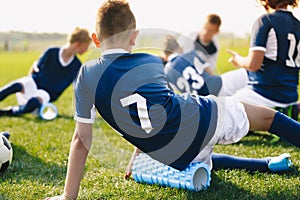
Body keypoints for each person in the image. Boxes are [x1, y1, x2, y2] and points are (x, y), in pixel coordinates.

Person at [46, 1, 300, 199]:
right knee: (269, 118)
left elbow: (82, 139)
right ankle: (267, 161)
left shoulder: (86, 75)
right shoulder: (150, 62)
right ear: (134, 36)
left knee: (200, 154)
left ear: (95, 39)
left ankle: (266, 164)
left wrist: (69, 196)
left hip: (171, 152)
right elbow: (156, 107)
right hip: (203, 117)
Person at [227, 0, 300, 120]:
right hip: (290, 97)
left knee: (220, 110)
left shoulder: (265, 21)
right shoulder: (298, 25)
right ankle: (286, 110)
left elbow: (253, 64)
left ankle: (268, 114)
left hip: (262, 96)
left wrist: (237, 59)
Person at [0, 27, 91, 117]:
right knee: (16, 85)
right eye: (86, 46)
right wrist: (27, 83)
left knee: (34, 103)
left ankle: (10, 111)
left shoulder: (77, 65)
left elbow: (78, 88)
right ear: (78, 44)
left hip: (47, 93)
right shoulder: (51, 52)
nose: (87, 50)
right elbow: (35, 67)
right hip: (35, 82)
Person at [163, 35, 248, 96]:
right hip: (219, 85)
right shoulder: (190, 54)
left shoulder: (167, 72)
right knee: (248, 75)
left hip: (204, 102)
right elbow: (210, 72)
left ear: (165, 54)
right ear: (179, 48)